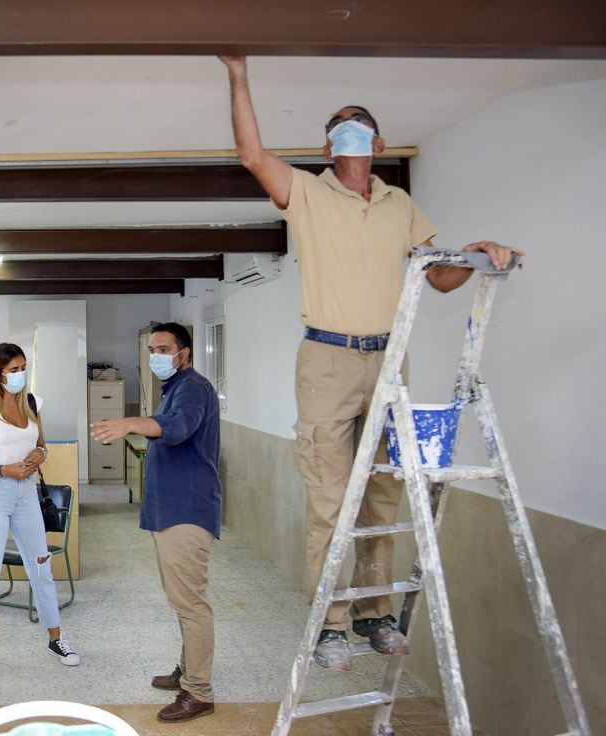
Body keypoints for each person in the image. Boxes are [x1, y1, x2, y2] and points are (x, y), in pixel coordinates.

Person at [219, 56, 523, 671]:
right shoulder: (307, 192)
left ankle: (373, 614)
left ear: (378, 143)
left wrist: (477, 252)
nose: (348, 131)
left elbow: (437, 276)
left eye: (358, 124)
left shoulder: (399, 204)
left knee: (382, 494)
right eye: (338, 126)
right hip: (327, 358)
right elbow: (253, 156)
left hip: (390, 361)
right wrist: (238, 74)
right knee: (331, 500)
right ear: (328, 145)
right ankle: (330, 624)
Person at [90, 323, 221, 723]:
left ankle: (198, 691)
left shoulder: (194, 387)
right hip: (171, 511)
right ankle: (188, 671)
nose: (156, 355)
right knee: (181, 600)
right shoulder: (175, 389)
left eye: (164, 348)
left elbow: (177, 429)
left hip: (187, 512)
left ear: (185, 353)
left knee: (191, 603)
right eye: (152, 348)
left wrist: (128, 423)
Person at [0, 343, 81, 678]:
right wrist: (4, 470)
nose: (20, 375)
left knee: (41, 564)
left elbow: (42, 444)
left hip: (26, 494)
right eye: (13, 370)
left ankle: (55, 638)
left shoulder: (32, 402)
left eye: (23, 368)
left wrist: (40, 455)